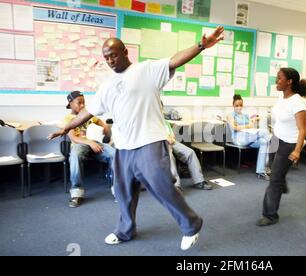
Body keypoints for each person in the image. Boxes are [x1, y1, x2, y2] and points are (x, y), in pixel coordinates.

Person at [49, 26, 225, 250]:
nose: (110, 61)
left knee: (161, 185)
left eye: (113, 55)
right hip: (123, 146)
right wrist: (66, 128)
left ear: (124, 52)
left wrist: (201, 46)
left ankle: (191, 224)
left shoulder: (147, 70)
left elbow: (174, 60)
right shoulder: (106, 85)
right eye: (106, 58)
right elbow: (88, 112)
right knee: (124, 193)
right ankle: (125, 231)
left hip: (149, 141)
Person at [257, 68, 306, 226]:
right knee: (276, 173)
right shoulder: (281, 96)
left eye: (279, 78)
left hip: (289, 144)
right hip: (276, 139)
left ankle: (270, 215)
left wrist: (297, 150)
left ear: (289, 82)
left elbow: (302, 130)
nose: (276, 81)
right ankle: (281, 182)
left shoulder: (298, 103)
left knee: (274, 180)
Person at [63, 91, 116, 208]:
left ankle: (118, 189)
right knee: (75, 156)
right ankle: (77, 193)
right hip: (80, 144)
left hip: (96, 143)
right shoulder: (68, 119)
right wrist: (89, 142)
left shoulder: (89, 115)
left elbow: (100, 122)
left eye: (84, 103)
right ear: (70, 103)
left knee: (115, 154)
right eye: (79, 103)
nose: (82, 105)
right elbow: (73, 138)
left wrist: (105, 127)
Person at [227, 94, 271, 180]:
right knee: (265, 132)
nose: (239, 107)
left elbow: (251, 125)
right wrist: (247, 125)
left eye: (240, 105)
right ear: (233, 105)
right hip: (238, 139)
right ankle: (269, 164)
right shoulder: (230, 115)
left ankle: (261, 171)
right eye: (237, 105)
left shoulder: (245, 115)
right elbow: (235, 128)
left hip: (248, 137)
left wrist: (247, 125)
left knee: (264, 142)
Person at [165, 119, 212, 191]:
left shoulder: (165, 122)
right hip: (162, 143)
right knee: (170, 156)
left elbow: (172, 135)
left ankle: (199, 181)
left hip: (173, 142)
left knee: (191, 152)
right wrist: (166, 139)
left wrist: (172, 138)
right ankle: (176, 186)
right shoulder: (152, 122)